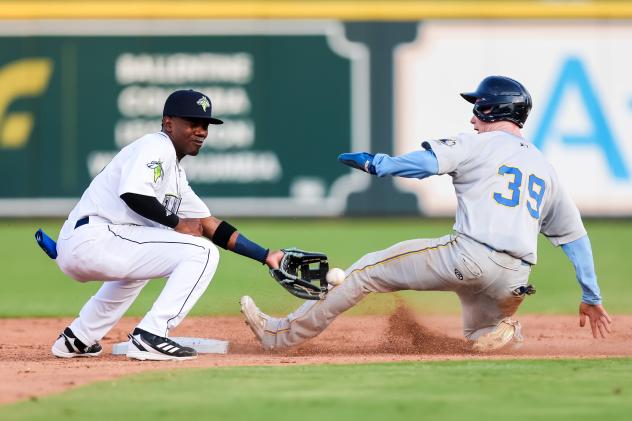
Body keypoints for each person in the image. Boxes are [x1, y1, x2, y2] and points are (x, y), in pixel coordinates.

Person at [240, 76, 612, 352]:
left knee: (366, 271)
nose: (472, 118)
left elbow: (428, 163)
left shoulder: (478, 144)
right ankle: (506, 329)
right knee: (480, 336)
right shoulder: (544, 167)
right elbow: (574, 237)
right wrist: (591, 295)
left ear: (491, 110)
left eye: (477, 108)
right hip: (515, 278)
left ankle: (280, 335)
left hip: (469, 256)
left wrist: (378, 164)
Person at [51, 89, 283, 361]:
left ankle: (78, 338)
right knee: (202, 252)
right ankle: (151, 335)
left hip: (89, 242)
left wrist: (266, 256)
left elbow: (209, 225)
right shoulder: (156, 145)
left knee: (143, 268)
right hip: (97, 236)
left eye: (205, 125)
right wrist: (176, 223)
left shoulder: (175, 174)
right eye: (192, 123)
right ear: (169, 123)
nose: (201, 131)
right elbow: (133, 193)